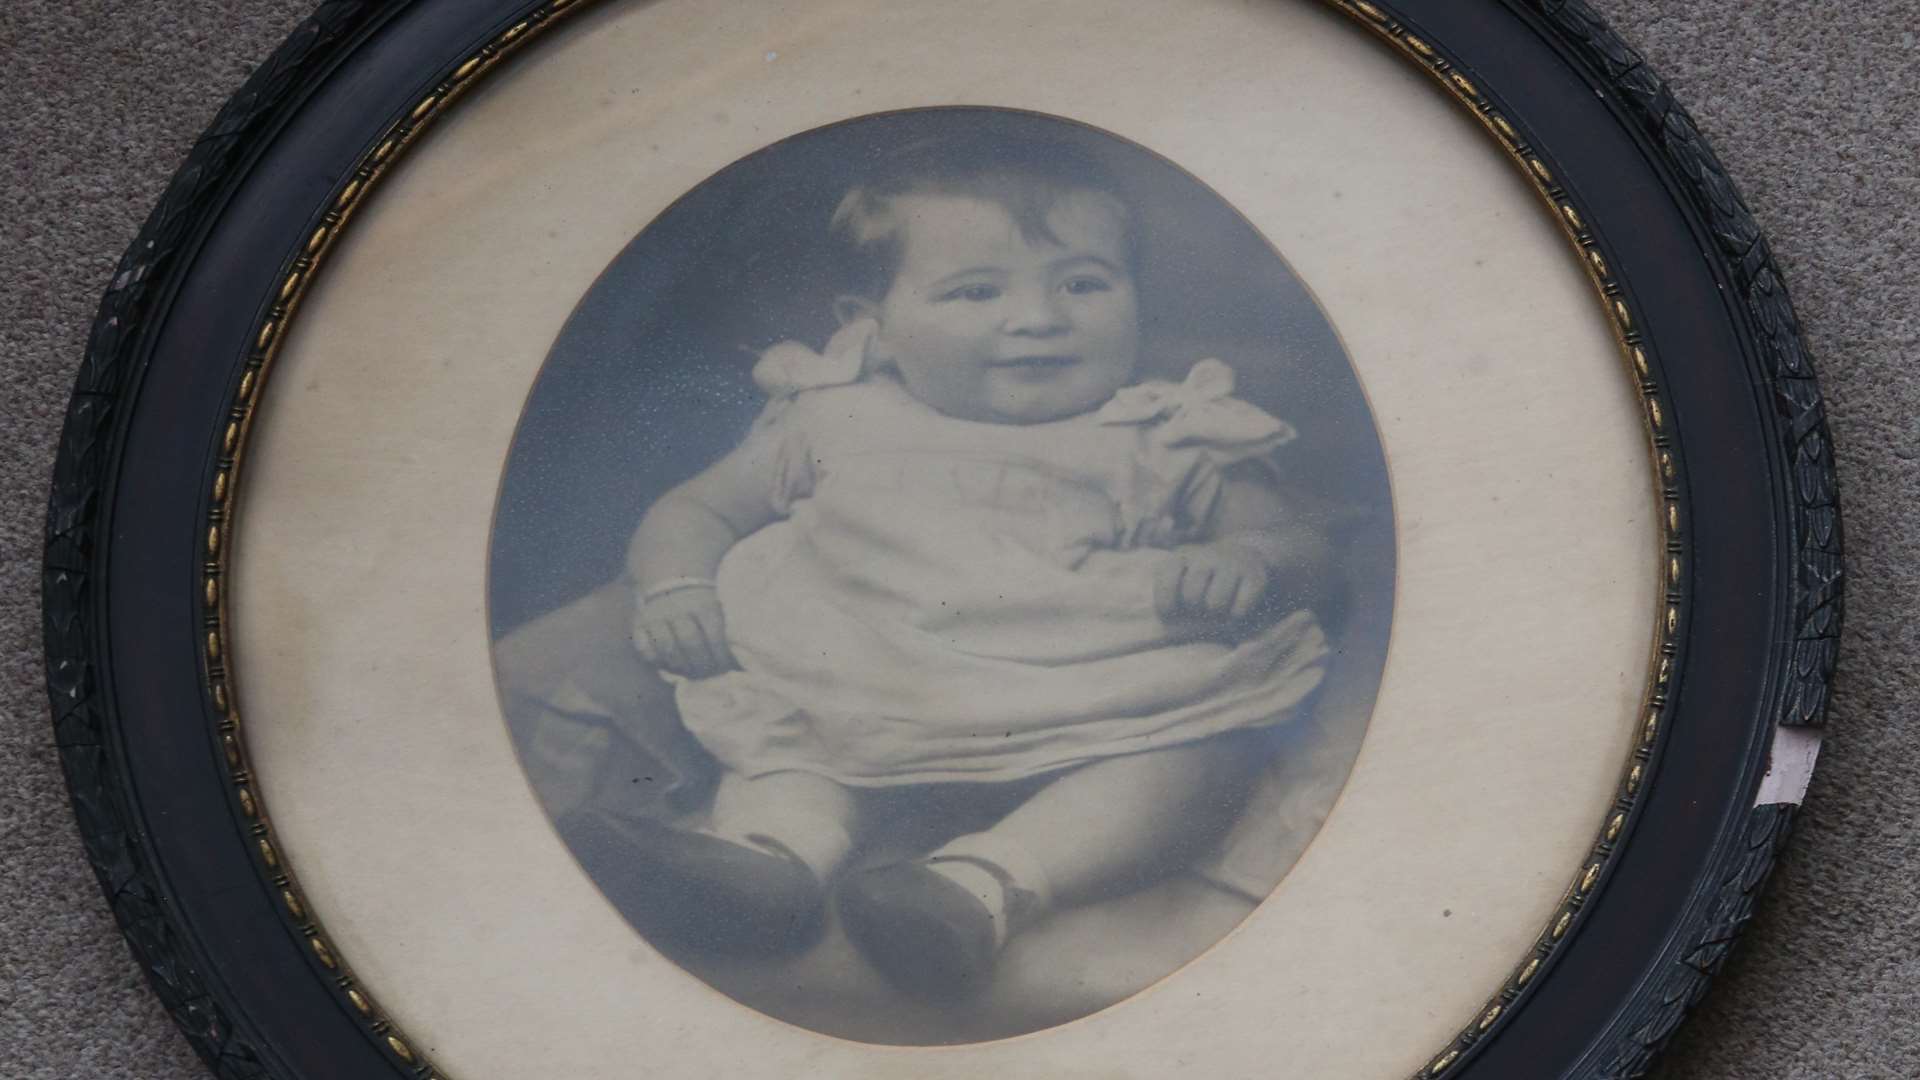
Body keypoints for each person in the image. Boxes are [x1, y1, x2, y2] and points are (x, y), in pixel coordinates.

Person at [591, 133, 1330, 999]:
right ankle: (771, 859)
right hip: (863, 679)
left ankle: (980, 885)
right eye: (977, 291)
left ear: (1135, 298)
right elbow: (696, 510)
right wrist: (677, 584)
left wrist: (1249, 559)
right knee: (787, 749)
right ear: (873, 325)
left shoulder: (1162, 431)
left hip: (1093, 696)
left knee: (1200, 757)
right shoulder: (835, 418)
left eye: (1083, 284)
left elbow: (1307, 550)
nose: (1038, 318)